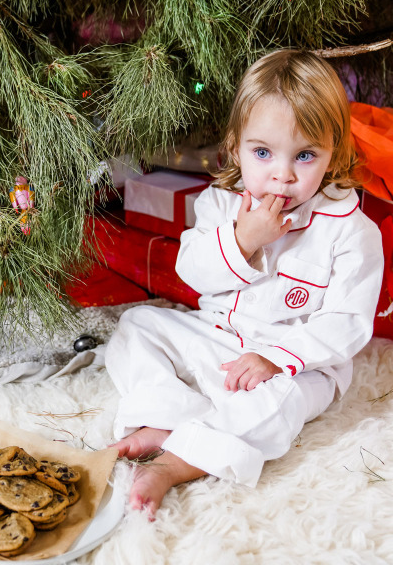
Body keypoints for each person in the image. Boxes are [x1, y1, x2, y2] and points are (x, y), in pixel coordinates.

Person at [104, 49, 384, 518]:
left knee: (284, 406)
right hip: (218, 338)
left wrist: (277, 359)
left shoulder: (351, 231)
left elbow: (348, 325)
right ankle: (166, 416)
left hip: (297, 364)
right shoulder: (221, 203)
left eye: (306, 155)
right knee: (137, 325)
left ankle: (178, 462)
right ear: (235, 147)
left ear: (334, 152)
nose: (283, 174)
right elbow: (191, 271)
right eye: (262, 153)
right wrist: (242, 239)